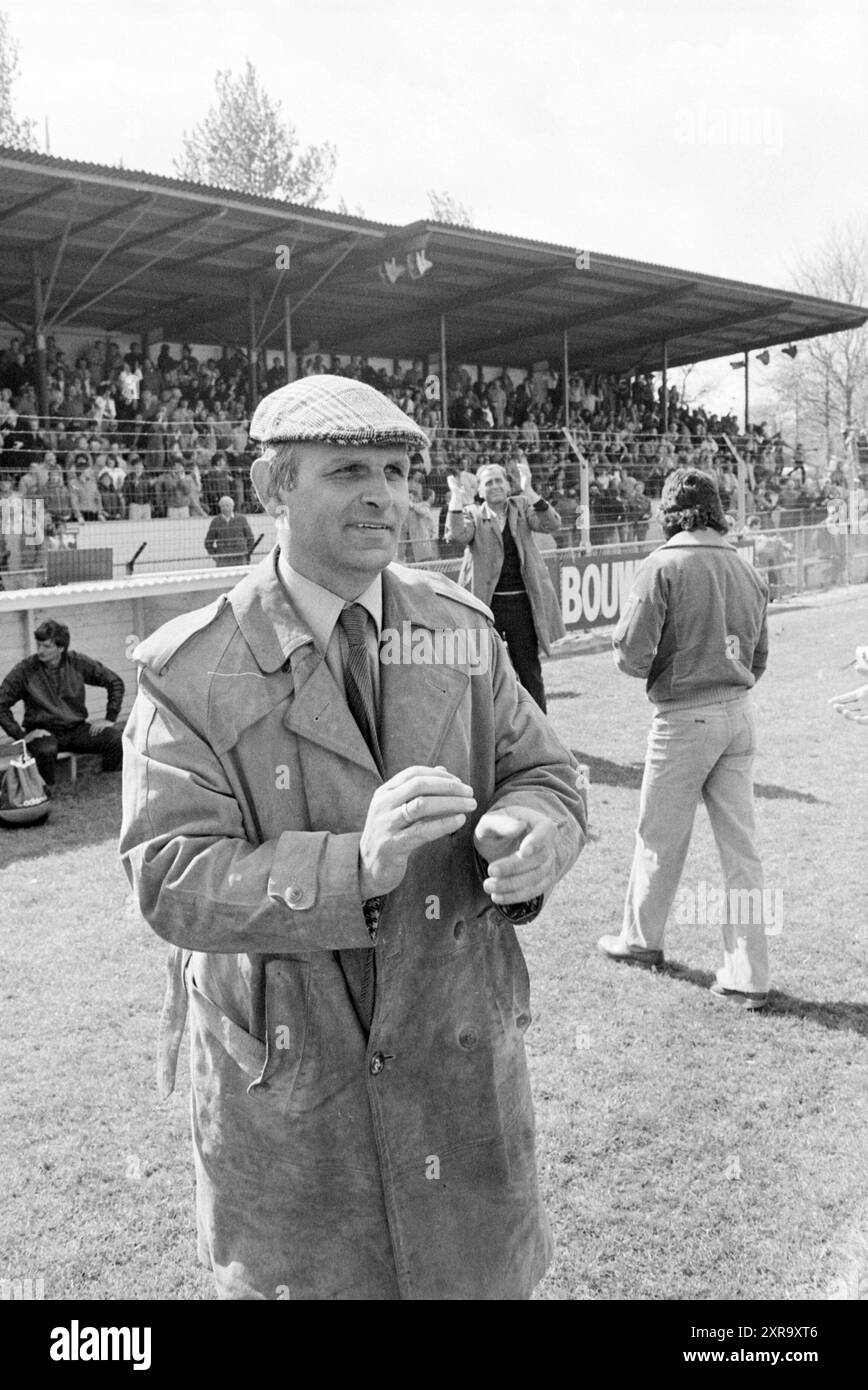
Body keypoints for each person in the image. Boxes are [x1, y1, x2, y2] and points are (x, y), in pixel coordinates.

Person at [119, 374, 585, 1302]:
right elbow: (169, 876)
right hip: (298, 1097)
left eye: (397, 470)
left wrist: (534, 833)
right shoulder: (192, 668)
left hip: (461, 1072)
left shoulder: (459, 632)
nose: (383, 493)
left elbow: (548, 773)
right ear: (272, 488)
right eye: (347, 469)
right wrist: (352, 868)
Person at [598, 468, 771, 1010]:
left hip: (684, 716)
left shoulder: (662, 564)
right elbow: (759, 657)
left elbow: (631, 655)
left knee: (659, 837)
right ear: (717, 509)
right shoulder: (746, 566)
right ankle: (748, 972)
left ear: (670, 512)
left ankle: (640, 940)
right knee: (741, 851)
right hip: (738, 713)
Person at [444, 461, 564, 712]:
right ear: (479, 491)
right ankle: (492, 732)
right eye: (488, 482)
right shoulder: (473, 515)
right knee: (485, 671)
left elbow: (552, 524)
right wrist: (456, 496)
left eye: (499, 480)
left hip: (522, 606)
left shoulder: (521, 507)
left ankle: (539, 731)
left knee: (529, 670)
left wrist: (528, 489)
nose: (495, 486)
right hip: (487, 607)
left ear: (509, 485)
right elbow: (457, 535)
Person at [0, 619, 124, 791]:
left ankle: (107, 782)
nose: (40, 650)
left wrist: (110, 718)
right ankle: (45, 793)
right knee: (46, 750)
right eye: (39, 645)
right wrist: (21, 735)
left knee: (115, 738)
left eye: (46, 646)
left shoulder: (78, 662)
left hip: (76, 729)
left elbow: (115, 682)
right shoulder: (25, 670)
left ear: (61, 648)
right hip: (43, 732)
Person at [203, 495, 254, 567]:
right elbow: (208, 542)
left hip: (240, 557)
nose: (225, 508)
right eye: (223, 506)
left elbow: (250, 538)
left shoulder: (241, 519)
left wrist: (247, 553)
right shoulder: (215, 521)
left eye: (227, 505)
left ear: (232, 506)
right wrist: (215, 556)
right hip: (223, 558)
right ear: (220, 508)